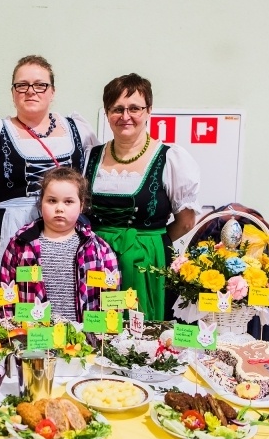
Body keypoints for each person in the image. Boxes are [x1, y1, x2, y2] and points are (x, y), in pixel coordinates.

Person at [0, 55, 100, 294]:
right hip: (11, 232)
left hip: (67, 234)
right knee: (17, 311)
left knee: (65, 299)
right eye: (22, 85)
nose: (31, 91)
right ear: (13, 92)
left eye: (40, 85)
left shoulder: (77, 128)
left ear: (52, 91)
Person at [84, 73, 200, 321]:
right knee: (99, 332)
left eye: (134, 108)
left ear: (149, 111)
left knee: (144, 331)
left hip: (148, 260)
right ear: (107, 113)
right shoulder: (89, 157)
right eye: (117, 109)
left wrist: (152, 244)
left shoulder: (170, 158)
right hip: (97, 260)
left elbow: (186, 221)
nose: (125, 116)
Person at [0, 167, 118, 323]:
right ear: (41, 203)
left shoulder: (99, 249)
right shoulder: (20, 244)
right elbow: (6, 290)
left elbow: (112, 297)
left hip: (84, 340)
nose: (59, 208)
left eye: (68, 201)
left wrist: (107, 331)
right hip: (35, 338)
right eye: (52, 200)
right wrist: (9, 328)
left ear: (81, 206)